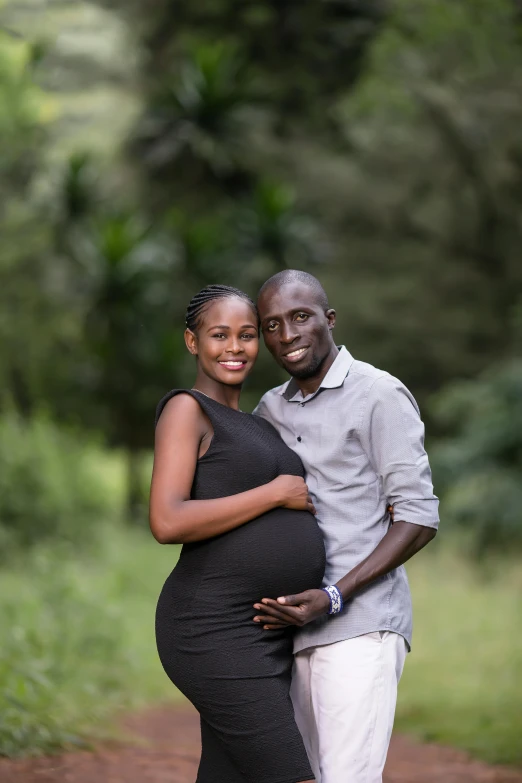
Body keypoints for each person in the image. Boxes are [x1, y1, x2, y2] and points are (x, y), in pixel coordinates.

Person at [252, 270, 439, 783]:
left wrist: (333, 595)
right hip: (291, 631)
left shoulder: (379, 394)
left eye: (300, 317)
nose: (287, 335)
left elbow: (419, 518)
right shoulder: (269, 408)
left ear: (329, 320)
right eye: (272, 325)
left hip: (361, 624)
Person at [149, 284, 326, 783]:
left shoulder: (258, 424)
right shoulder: (188, 409)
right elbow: (167, 520)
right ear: (192, 341)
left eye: (247, 335)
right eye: (219, 334)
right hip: (211, 628)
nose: (235, 347)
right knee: (292, 773)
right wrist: (273, 494)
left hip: (263, 632)